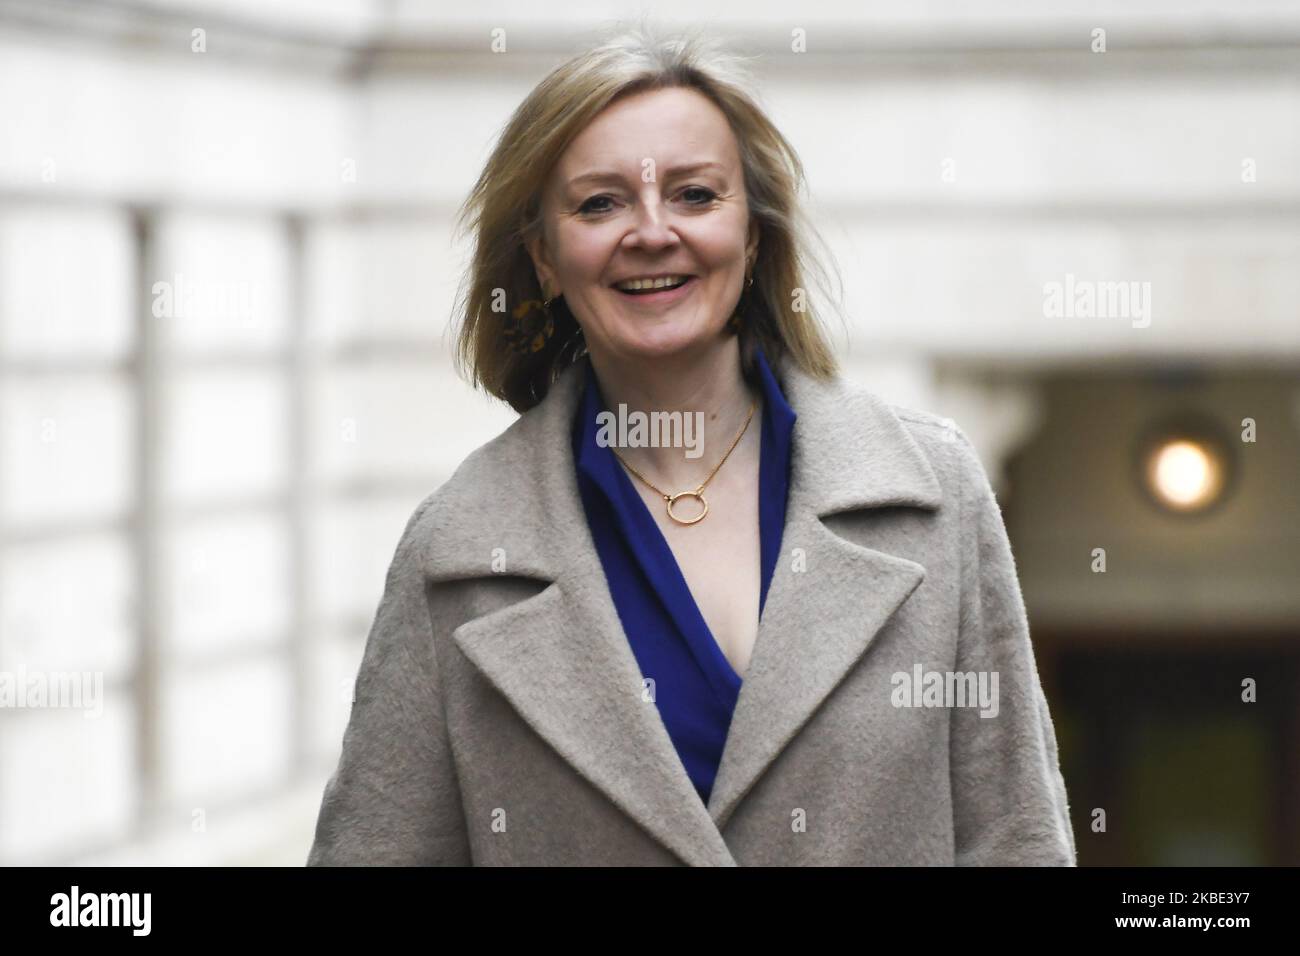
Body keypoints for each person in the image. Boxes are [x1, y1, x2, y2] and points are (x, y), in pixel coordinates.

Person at [306, 25, 1077, 866]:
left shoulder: (934, 496)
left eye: (695, 195)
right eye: (600, 203)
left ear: (753, 236)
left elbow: (1018, 838)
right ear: (544, 258)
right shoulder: (457, 552)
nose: (651, 231)